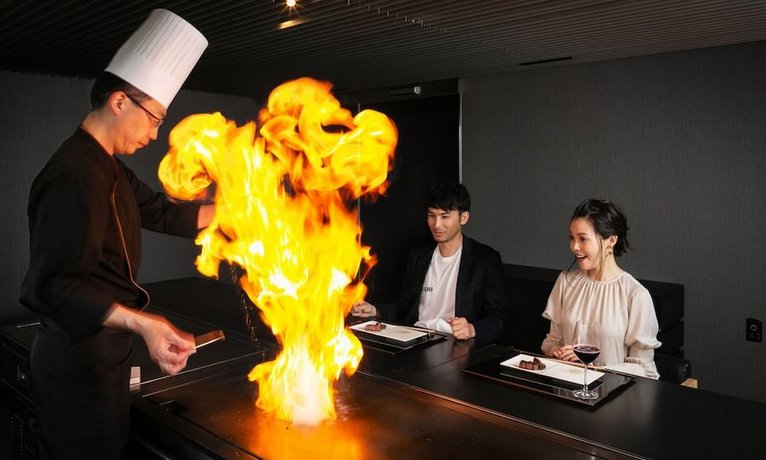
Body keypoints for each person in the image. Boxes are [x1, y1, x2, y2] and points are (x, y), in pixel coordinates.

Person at [18, 10, 211, 459]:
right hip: (74, 369)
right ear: (120, 101)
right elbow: (55, 288)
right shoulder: (73, 173)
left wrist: (248, 211)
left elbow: (163, 213)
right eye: (154, 118)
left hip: (103, 363)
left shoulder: (110, 169)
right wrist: (145, 322)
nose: (155, 133)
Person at [351, 182, 508, 342]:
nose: (437, 224)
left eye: (445, 216)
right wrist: (375, 311)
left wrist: (472, 329)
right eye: (432, 215)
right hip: (416, 339)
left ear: (464, 217)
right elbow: (406, 307)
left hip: (456, 343)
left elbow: (498, 319)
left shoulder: (485, 259)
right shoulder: (419, 255)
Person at [540, 199, 661, 379]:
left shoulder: (635, 294)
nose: (575, 246)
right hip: (565, 388)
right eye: (571, 237)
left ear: (610, 240)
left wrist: (597, 368)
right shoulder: (566, 281)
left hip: (612, 396)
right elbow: (552, 340)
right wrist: (556, 350)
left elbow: (644, 369)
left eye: (583, 238)